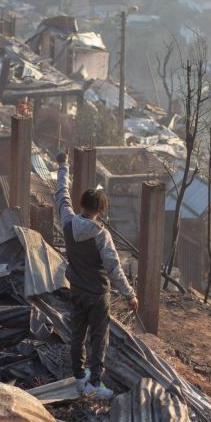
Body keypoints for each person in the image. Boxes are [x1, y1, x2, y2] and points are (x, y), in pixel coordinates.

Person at [56, 151, 138, 398]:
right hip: (98, 294)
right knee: (99, 338)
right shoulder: (101, 235)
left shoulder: (67, 221)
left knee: (77, 335)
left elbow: (61, 192)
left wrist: (63, 164)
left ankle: (79, 379)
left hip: (77, 290)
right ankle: (95, 384)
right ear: (100, 209)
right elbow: (114, 269)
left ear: (82, 204)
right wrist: (130, 294)